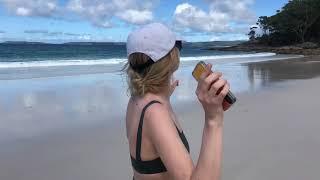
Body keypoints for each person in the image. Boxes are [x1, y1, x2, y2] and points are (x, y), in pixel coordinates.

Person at [123, 23, 230, 180]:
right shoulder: (155, 113)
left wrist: (164, 94)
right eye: (177, 47)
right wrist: (213, 119)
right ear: (171, 59)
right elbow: (154, 118)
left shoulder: (136, 100)